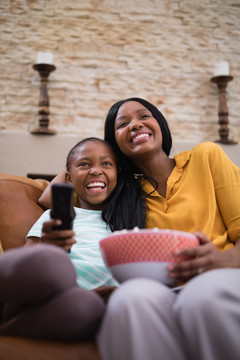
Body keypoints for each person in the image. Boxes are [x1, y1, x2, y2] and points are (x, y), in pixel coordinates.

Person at [96, 97, 240, 360]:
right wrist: (106, 159)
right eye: (123, 124)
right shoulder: (122, 194)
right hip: (163, 289)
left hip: (223, 275)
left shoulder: (206, 157)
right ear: (114, 143)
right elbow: (58, 188)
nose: (135, 125)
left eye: (143, 116)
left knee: (202, 295)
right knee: (128, 301)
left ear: (159, 123)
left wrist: (221, 260)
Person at [0, 137, 144, 341]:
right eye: (84, 164)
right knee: (53, 260)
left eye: (106, 163)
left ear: (118, 173)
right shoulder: (54, 217)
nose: (95, 171)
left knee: (82, 307)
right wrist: (47, 249)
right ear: (68, 178)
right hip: (50, 289)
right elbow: (23, 267)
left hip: (86, 306)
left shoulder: (130, 222)